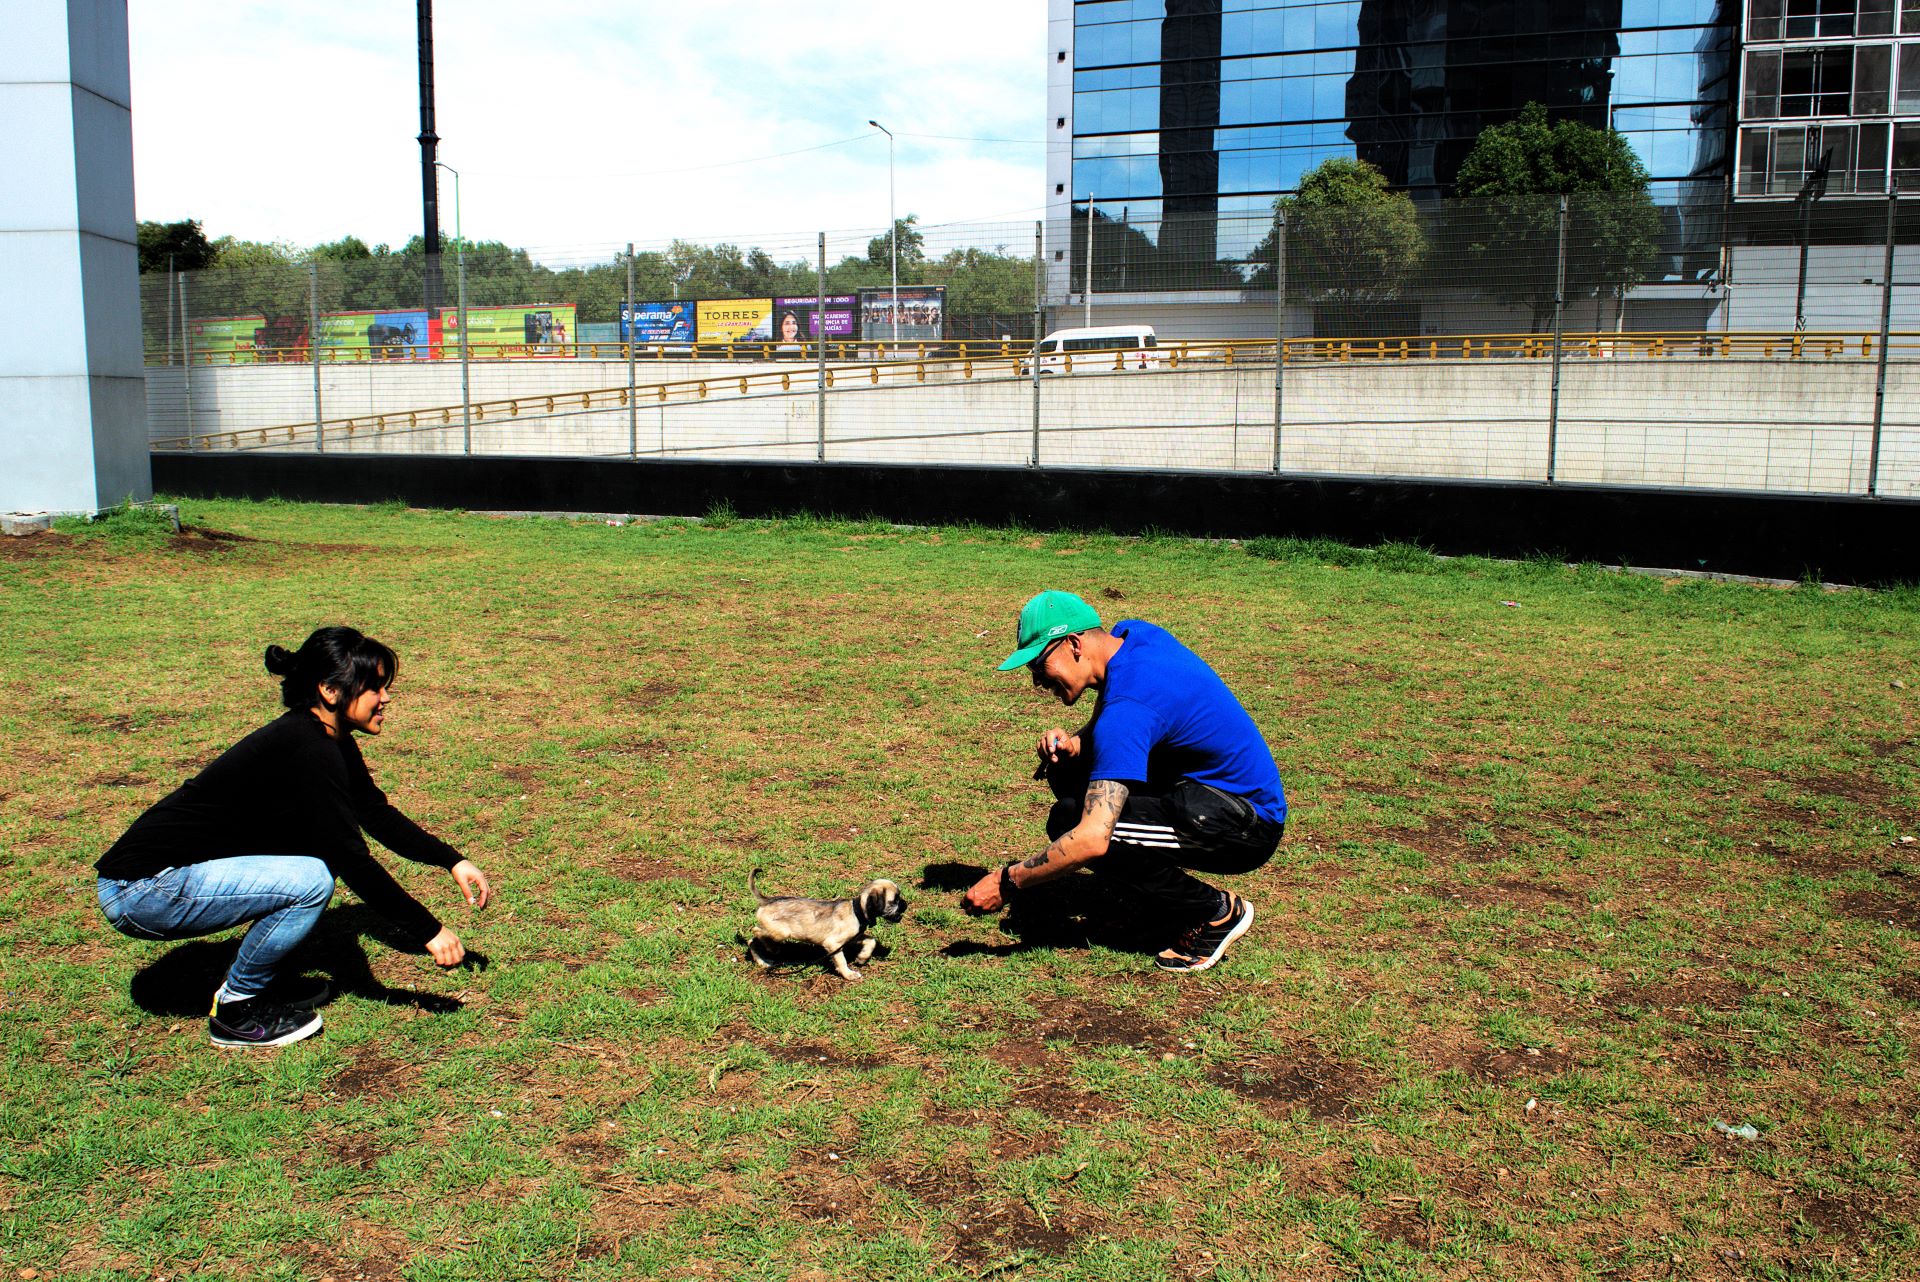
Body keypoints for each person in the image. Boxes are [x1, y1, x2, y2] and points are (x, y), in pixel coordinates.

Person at [93, 627, 492, 1048]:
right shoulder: (306, 748)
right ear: (330, 690)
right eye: (374, 686)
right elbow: (353, 859)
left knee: (308, 853)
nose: (386, 697)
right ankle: (236, 1009)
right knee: (312, 879)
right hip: (142, 890)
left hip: (160, 880)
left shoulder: (324, 736)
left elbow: (375, 814)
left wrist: (451, 859)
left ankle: (261, 984)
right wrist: (428, 931)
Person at [963, 591, 1286, 972]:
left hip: (1244, 826)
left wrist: (1008, 881)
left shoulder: (1128, 712)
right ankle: (1153, 901)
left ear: (1074, 644)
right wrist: (1077, 745)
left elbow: (1090, 840)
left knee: (1073, 825)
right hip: (1209, 795)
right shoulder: (1135, 637)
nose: (1036, 681)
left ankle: (1216, 913)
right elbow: (1136, 712)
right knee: (1070, 781)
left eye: (1038, 665)